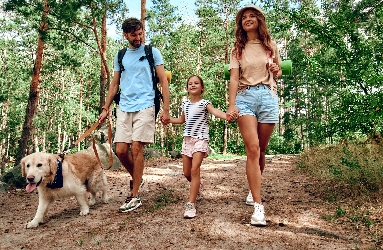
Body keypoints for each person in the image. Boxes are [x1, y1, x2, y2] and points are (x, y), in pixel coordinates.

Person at [98, 18, 171, 213]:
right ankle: (138, 177)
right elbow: (114, 84)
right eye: (134, 35)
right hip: (124, 106)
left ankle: (135, 194)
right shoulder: (120, 55)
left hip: (146, 104)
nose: (138, 38)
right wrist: (105, 108)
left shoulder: (151, 52)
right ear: (125, 35)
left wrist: (165, 109)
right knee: (121, 150)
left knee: (137, 146)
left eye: (140, 34)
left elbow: (163, 81)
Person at [226, 5, 282, 227]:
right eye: (244, 18)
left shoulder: (271, 46)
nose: (247, 20)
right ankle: (258, 208)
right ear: (240, 24)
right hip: (245, 97)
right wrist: (231, 105)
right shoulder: (238, 49)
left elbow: (276, 73)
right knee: (253, 149)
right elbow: (233, 79)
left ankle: (253, 189)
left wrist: (276, 71)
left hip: (267, 96)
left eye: (252, 16)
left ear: (259, 20)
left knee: (262, 151)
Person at [168, 75, 236, 219]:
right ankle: (197, 186)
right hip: (187, 140)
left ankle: (191, 205)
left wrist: (227, 116)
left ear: (202, 87)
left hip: (200, 139)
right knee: (187, 173)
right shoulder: (185, 104)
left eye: (196, 83)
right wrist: (168, 120)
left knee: (194, 169)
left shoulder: (205, 103)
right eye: (190, 84)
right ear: (187, 88)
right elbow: (181, 120)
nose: (193, 85)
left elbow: (216, 112)